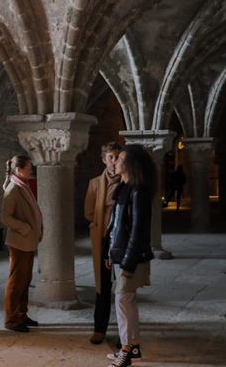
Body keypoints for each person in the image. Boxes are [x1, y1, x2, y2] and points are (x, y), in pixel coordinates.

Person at [104, 144, 156, 367]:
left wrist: (127, 261)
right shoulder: (123, 187)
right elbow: (115, 226)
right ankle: (133, 347)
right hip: (120, 254)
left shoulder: (138, 190)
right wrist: (110, 252)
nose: (114, 162)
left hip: (130, 257)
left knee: (122, 302)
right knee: (128, 302)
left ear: (131, 165)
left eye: (120, 159)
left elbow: (139, 231)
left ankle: (124, 352)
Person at [84, 142, 122, 344]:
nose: (114, 161)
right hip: (103, 240)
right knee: (103, 286)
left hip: (121, 241)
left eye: (117, 157)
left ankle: (125, 332)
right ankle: (100, 328)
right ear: (104, 160)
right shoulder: (95, 183)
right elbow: (89, 212)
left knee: (123, 288)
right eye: (110, 157)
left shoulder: (127, 181)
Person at [1, 155, 43, 333]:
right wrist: (25, 228)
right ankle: (11, 320)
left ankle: (22, 314)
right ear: (19, 170)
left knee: (25, 280)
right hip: (19, 241)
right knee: (16, 281)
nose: (31, 171)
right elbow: (5, 217)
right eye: (29, 168)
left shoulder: (23, 186)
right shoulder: (13, 189)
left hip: (27, 241)